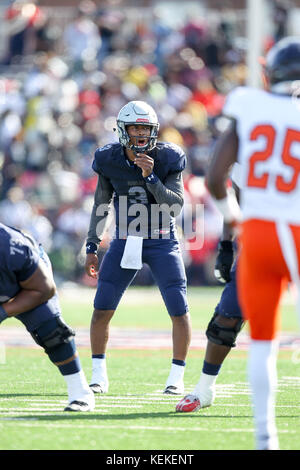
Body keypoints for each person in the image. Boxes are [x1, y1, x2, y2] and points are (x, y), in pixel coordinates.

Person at [206, 37, 300, 450]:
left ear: (269, 73)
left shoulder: (248, 103)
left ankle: (266, 438)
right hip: (297, 229)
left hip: (258, 233)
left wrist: (232, 220)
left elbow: (214, 177)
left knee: (263, 342)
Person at [85, 100, 191, 395]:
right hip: (125, 239)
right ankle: (98, 375)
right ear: (123, 129)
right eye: (135, 127)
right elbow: (101, 204)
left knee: (179, 310)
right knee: (101, 309)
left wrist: (152, 177)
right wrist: (91, 246)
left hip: (161, 239)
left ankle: (176, 377)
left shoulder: (168, 158)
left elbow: (175, 207)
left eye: (146, 127)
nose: (141, 133)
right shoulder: (109, 159)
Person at [0, 223, 95, 412]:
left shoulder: (10, 246)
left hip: (25, 287)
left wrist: (2, 312)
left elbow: (44, 288)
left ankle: (80, 392)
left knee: (51, 330)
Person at [176, 164, 244, 412]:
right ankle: (205, 388)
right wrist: (226, 245)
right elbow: (235, 202)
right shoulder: (248, 152)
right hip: (259, 243)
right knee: (225, 319)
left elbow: (216, 177)